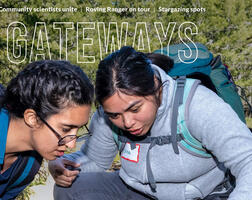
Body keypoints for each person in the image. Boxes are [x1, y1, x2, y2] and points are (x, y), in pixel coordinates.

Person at [49, 46, 252, 200]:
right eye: (114, 115)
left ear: (156, 87)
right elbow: (95, 160)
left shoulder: (197, 105)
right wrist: (61, 164)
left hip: (203, 194)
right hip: (142, 192)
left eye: (135, 109)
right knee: (72, 189)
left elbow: (248, 161)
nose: (127, 122)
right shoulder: (107, 115)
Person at [0, 60, 94, 199]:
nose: (71, 144)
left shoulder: (28, 165)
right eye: (65, 129)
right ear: (32, 118)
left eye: (79, 129)